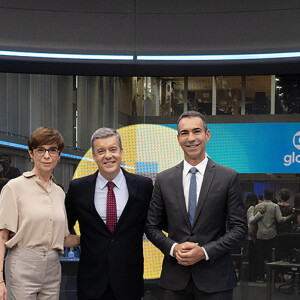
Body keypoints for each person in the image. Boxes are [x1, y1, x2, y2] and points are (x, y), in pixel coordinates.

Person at [145, 111, 247, 300]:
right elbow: (151, 226)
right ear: (178, 139)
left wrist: (205, 252)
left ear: (207, 135)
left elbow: (240, 228)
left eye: (196, 131)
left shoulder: (228, 177)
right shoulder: (164, 179)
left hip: (216, 280)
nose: (191, 138)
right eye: (184, 133)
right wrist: (173, 248)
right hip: (175, 281)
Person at [65, 127, 153, 300]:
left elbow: (154, 224)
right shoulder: (78, 188)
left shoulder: (143, 186)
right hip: (91, 281)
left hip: (129, 280)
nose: (108, 155)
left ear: (121, 152)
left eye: (113, 149)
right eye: (101, 151)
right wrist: (84, 240)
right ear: (94, 156)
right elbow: (64, 224)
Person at [0, 127, 80, 300]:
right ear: (31, 153)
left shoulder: (59, 192)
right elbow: (2, 236)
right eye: (40, 150)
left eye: (52, 150)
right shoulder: (14, 187)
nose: (46, 155)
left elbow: (64, 239)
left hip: (53, 266)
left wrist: (97, 234)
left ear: (59, 155)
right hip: (22, 264)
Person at [252, 188, 293, 281]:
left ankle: (261, 276)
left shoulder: (257, 206)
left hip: (260, 235)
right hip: (271, 235)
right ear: (272, 196)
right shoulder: (275, 207)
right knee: (271, 257)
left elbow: (254, 221)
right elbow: (280, 220)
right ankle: (272, 276)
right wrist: (290, 216)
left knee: (260, 257)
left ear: (264, 195)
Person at [245, 193, 265, 281]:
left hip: (247, 236)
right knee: (252, 258)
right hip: (251, 235)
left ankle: (249, 276)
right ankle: (252, 276)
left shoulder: (245, 207)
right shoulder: (252, 208)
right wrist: (260, 213)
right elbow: (251, 220)